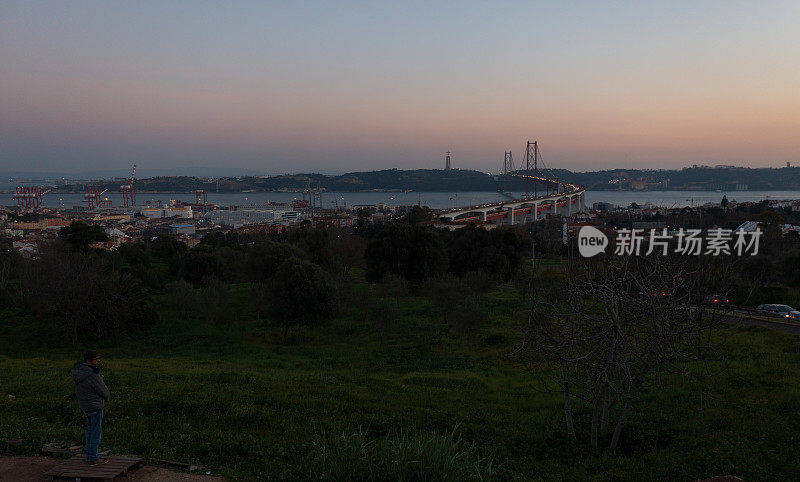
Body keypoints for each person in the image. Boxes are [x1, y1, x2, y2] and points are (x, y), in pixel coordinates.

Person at [72, 349, 110, 466]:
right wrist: (106, 399)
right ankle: (94, 458)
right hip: (95, 406)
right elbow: (103, 390)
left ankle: (90, 455)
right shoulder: (92, 375)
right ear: (89, 361)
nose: (98, 361)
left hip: (86, 406)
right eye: (96, 359)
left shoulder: (79, 372)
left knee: (90, 430)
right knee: (95, 432)